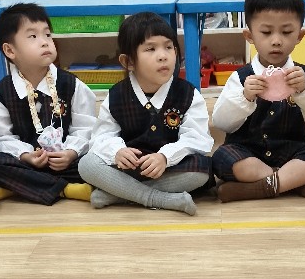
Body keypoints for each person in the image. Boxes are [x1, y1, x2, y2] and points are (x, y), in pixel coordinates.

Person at [211, 0, 305, 202]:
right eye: (266, 32)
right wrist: (245, 97)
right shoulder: (241, 77)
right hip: (249, 154)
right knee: (222, 157)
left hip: (293, 154)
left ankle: (260, 188)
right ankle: (291, 182)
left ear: (299, 36)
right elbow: (222, 122)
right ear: (250, 36)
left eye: (286, 32)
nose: (277, 41)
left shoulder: (304, 75)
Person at [77, 13, 212, 214]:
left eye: (168, 47)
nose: (163, 55)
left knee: (202, 169)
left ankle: (117, 195)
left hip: (168, 169)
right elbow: (101, 137)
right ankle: (159, 199)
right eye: (151, 49)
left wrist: (165, 157)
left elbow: (197, 139)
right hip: (128, 169)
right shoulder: (117, 95)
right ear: (129, 61)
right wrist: (117, 151)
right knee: (86, 164)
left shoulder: (188, 94)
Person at [0, 2, 97, 203]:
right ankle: (66, 190)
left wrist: (70, 152)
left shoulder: (72, 84)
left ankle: (20, 187)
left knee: (95, 162)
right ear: (10, 50)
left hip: (67, 163)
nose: (45, 42)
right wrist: (25, 155)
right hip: (26, 163)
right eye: (33, 36)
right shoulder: (3, 92)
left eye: (47, 35)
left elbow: (86, 127)